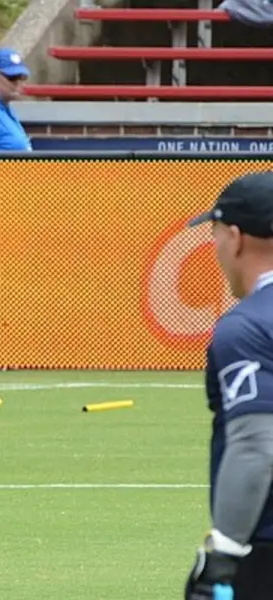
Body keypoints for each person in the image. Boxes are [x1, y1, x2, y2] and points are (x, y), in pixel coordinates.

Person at [183, 171, 273, 600]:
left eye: (216, 235)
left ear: (235, 238)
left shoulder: (248, 326)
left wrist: (225, 553)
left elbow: (257, 446)